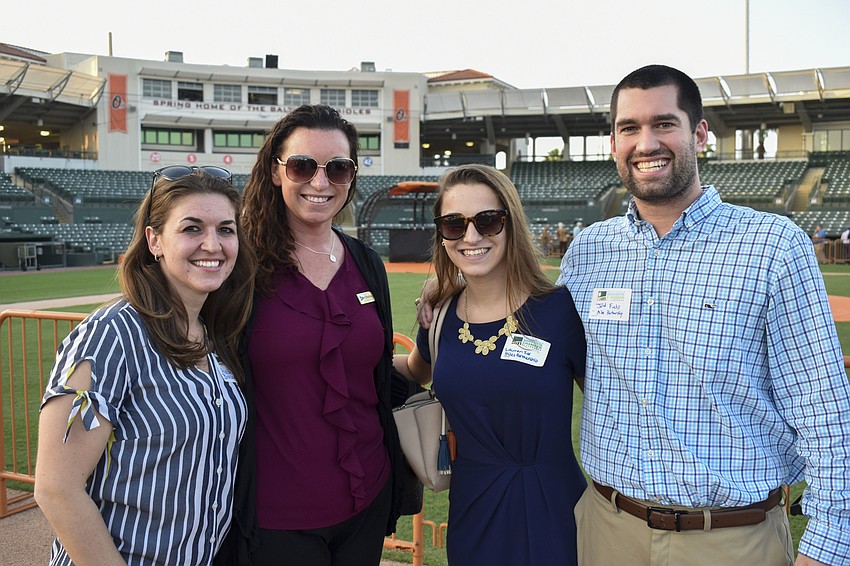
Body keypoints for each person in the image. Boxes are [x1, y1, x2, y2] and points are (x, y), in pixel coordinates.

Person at [558, 65, 850, 565]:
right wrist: (453, 288)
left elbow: (824, 412)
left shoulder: (774, 246)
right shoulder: (588, 251)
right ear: (613, 143)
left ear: (699, 133)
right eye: (629, 128)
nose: (645, 142)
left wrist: (826, 547)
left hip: (733, 540)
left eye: (664, 124)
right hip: (607, 528)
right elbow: (546, 346)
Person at [35, 166, 256, 565]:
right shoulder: (111, 334)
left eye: (226, 229)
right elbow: (56, 489)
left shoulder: (211, 335)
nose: (213, 244)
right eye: (192, 228)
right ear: (154, 240)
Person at [223, 104, 403, 566]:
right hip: (277, 514)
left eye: (338, 168)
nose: (320, 182)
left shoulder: (367, 263)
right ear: (275, 171)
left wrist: (434, 327)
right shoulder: (237, 263)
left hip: (366, 496)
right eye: (303, 166)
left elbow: (376, 371)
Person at [394, 164, 587, 565]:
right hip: (473, 508)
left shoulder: (559, 310)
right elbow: (414, 370)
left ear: (510, 224)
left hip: (552, 507)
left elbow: (611, 403)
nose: (471, 237)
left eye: (487, 221)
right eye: (453, 224)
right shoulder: (441, 316)